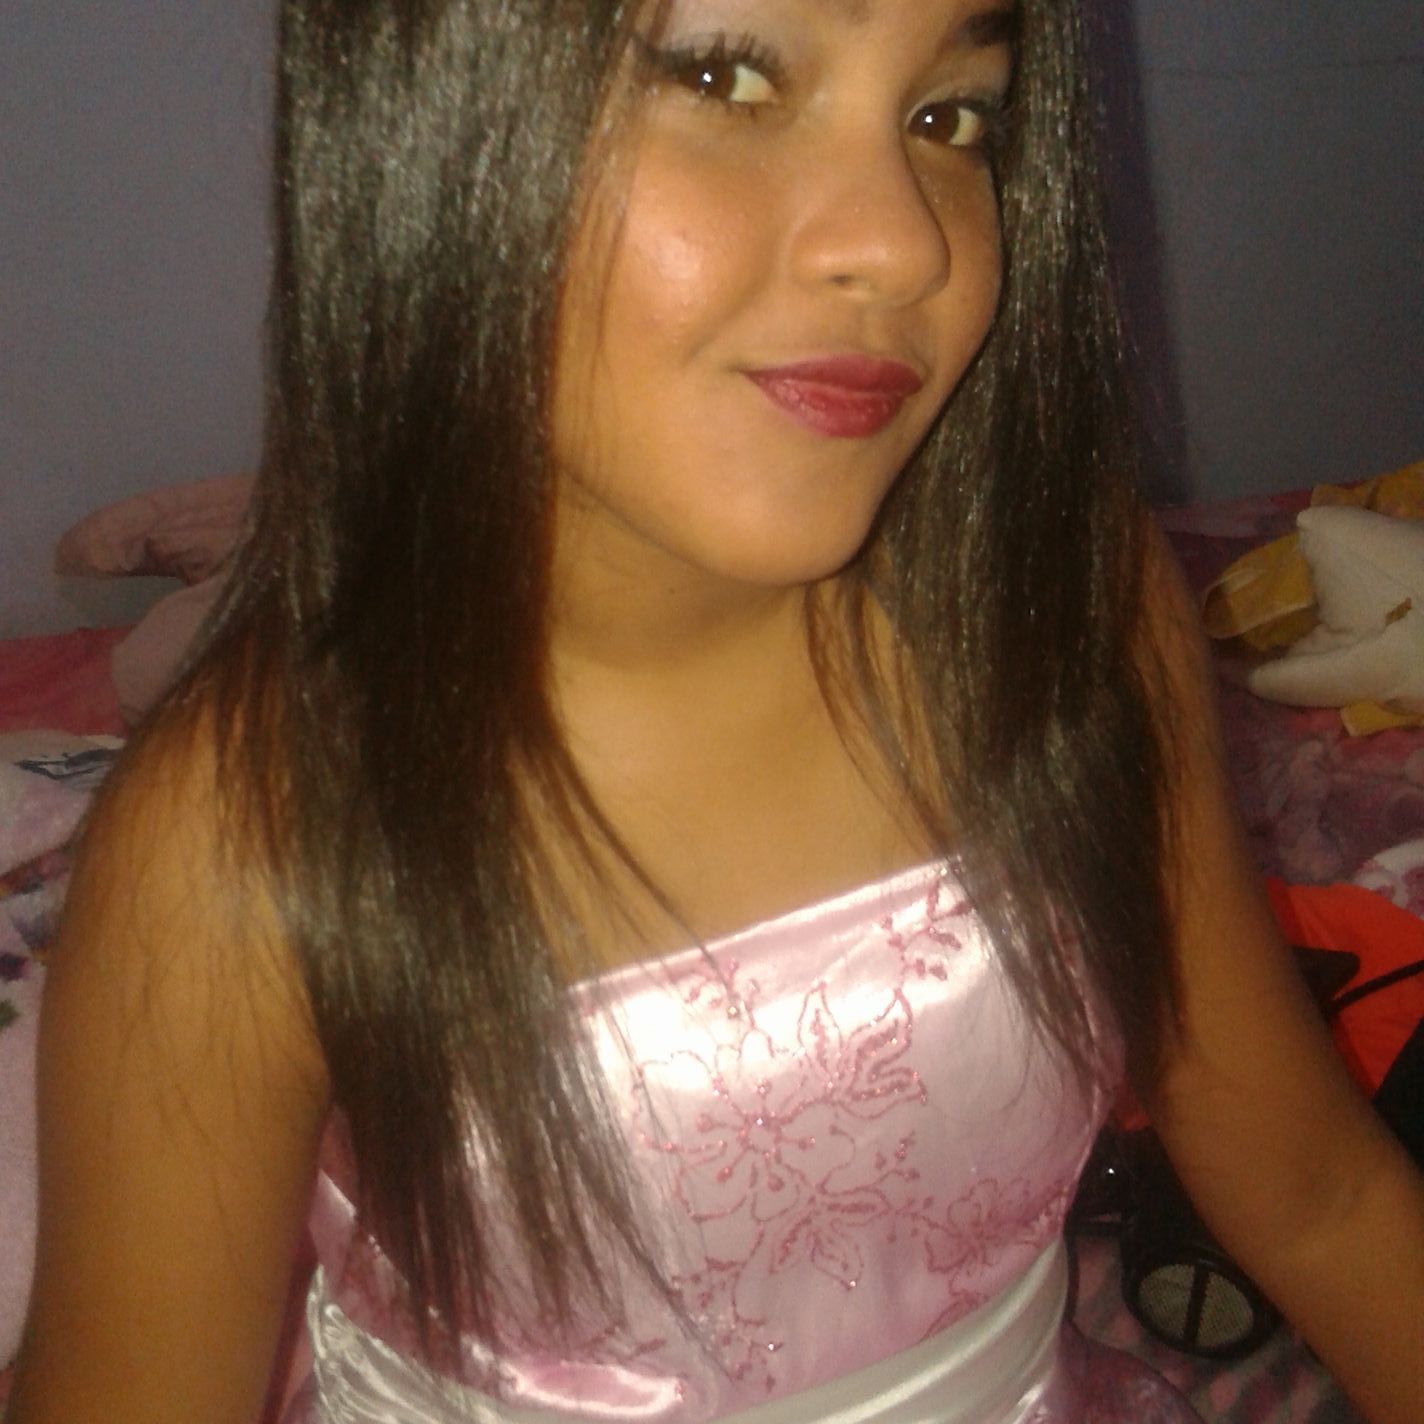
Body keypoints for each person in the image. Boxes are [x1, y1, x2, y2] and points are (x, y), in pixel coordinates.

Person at [10, 0, 1424, 1420]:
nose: (903, 242)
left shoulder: (1063, 615)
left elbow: (1318, 1195)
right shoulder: (241, 842)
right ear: (433, 118)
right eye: (727, 76)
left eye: (949, 117)